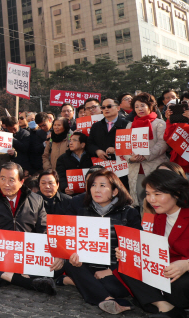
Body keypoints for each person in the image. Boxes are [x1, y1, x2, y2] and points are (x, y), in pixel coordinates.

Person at [0, 162, 64, 294]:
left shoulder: (36, 200)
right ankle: (27, 281)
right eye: (2, 179)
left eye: (11, 180)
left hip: (27, 254)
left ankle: (3, 277)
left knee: (59, 264)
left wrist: (55, 252)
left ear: (21, 182)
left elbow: (44, 229)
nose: (6, 184)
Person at [63, 169, 141, 315]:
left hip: (115, 269)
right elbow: (69, 239)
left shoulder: (129, 213)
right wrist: (75, 255)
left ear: (115, 191)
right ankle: (107, 299)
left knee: (115, 287)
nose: (96, 190)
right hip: (87, 266)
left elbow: (136, 249)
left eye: (102, 185)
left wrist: (110, 270)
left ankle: (84, 285)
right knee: (70, 262)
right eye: (93, 185)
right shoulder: (82, 211)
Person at [117, 169, 189, 317]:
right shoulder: (160, 216)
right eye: (148, 194)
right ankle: (164, 305)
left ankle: (155, 301)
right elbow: (157, 249)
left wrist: (187, 264)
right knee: (127, 262)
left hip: (183, 273)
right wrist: (130, 251)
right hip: (167, 269)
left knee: (178, 285)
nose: (151, 199)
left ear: (176, 194)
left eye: (157, 194)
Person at [124, 93, 168, 208]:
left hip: (154, 166)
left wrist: (146, 155)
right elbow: (125, 146)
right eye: (136, 106)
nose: (139, 109)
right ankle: (142, 225)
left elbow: (162, 144)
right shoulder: (129, 125)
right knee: (140, 199)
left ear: (150, 106)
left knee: (156, 200)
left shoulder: (159, 123)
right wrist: (130, 158)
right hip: (136, 169)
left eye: (142, 105)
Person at [87, 98, 130, 189]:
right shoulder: (96, 126)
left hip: (122, 168)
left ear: (118, 108)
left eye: (109, 106)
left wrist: (116, 149)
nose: (106, 109)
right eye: (103, 107)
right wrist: (97, 151)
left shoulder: (127, 124)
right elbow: (89, 144)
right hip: (102, 166)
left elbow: (131, 144)